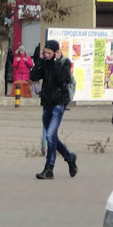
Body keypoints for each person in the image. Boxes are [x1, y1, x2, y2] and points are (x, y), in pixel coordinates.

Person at [29, 39, 78, 180]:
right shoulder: (45, 63)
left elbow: (64, 79)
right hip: (47, 103)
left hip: (59, 103)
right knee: (52, 137)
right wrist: (39, 61)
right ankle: (69, 157)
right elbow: (33, 76)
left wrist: (57, 61)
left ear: (56, 52)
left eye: (49, 53)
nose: (47, 55)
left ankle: (49, 168)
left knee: (50, 135)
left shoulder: (64, 63)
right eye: (45, 52)